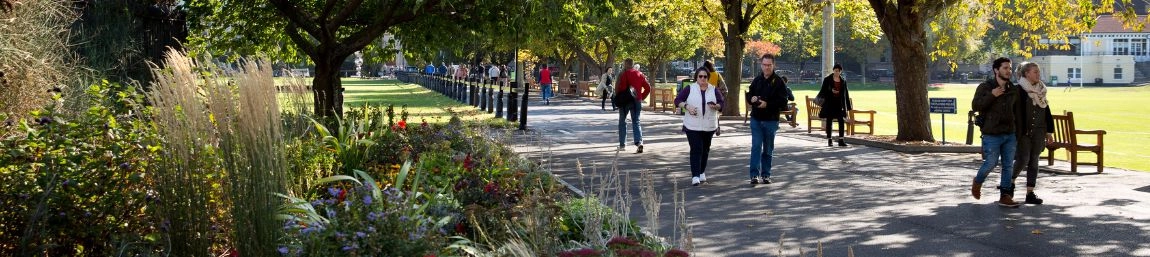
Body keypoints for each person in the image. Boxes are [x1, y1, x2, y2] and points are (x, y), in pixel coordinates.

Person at [971, 57, 1022, 208]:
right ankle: (978, 181)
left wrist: (1017, 131)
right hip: (991, 133)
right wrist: (992, 95)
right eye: (1005, 68)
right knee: (991, 163)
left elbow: (1016, 111)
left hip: (1009, 134)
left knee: (1008, 165)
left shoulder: (1013, 89)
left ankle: (1005, 196)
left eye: (1010, 68)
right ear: (996, 70)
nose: (1009, 71)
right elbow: (976, 106)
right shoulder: (985, 87)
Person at [675, 67, 725, 186]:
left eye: (705, 77)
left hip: (709, 125)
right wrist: (687, 106)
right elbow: (678, 100)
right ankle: (695, 176)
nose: (702, 79)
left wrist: (716, 106)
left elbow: (721, 103)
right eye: (700, 76)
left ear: (708, 78)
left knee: (705, 149)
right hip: (692, 125)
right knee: (696, 149)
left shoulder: (714, 89)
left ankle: (702, 172)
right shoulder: (689, 88)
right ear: (696, 77)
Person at [745, 54, 790, 185]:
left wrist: (767, 104)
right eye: (764, 65)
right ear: (761, 65)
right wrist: (751, 99)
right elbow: (750, 94)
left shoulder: (779, 82)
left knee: (768, 149)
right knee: (756, 146)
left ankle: (766, 174)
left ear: (773, 65)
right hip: (757, 119)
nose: (766, 68)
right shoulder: (757, 80)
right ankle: (754, 175)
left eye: (769, 65)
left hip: (771, 120)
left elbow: (783, 102)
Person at [1012, 62, 1052, 205]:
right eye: (1035, 72)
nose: (1038, 74)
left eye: (1038, 72)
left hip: (1039, 131)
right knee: (1023, 159)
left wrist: (1049, 132)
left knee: (1034, 160)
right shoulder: (1018, 90)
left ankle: (1030, 193)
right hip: (1024, 131)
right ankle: (1010, 182)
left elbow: (1047, 111)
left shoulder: (1041, 90)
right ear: (1026, 74)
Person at [616, 58, 651, 153]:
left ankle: (622, 145)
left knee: (622, 121)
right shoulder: (639, 74)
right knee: (636, 121)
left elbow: (617, 88)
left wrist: (617, 100)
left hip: (624, 101)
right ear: (632, 64)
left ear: (625, 64)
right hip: (636, 101)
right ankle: (639, 142)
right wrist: (641, 97)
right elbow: (648, 88)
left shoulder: (622, 74)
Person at [817, 64, 852, 147]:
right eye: (835, 70)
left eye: (838, 71)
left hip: (839, 104)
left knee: (841, 121)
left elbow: (845, 94)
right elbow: (823, 91)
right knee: (829, 121)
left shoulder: (843, 81)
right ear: (833, 70)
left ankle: (841, 140)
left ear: (840, 71)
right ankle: (829, 139)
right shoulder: (827, 79)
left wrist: (848, 107)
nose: (837, 72)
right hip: (830, 103)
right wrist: (831, 90)